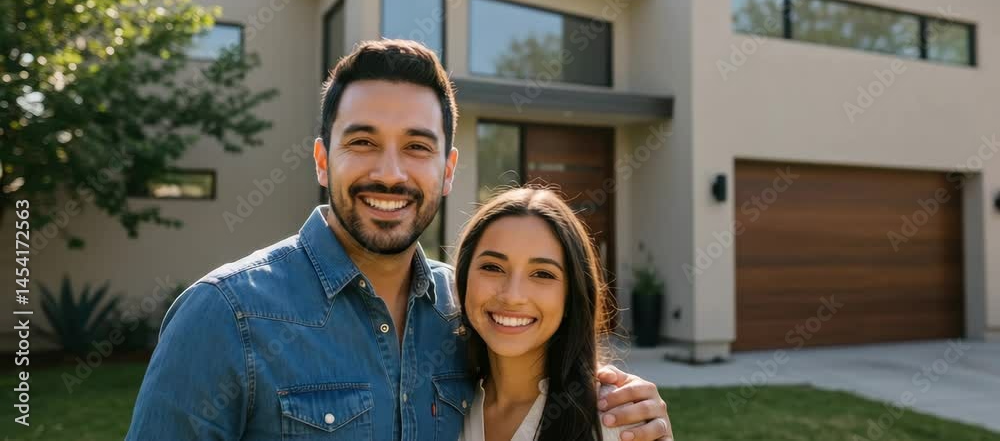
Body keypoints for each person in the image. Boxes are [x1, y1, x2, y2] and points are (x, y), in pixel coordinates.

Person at [125, 39, 673, 440]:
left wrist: (627, 405)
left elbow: (549, 378)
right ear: (322, 159)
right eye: (362, 141)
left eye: (417, 146)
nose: (390, 173)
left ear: (448, 170)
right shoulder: (225, 316)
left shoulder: (464, 311)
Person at [455, 187, 630, 441]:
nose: (512, 296)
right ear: (464, 278)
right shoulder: (441, 407)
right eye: (492, 267)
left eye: (542, 274)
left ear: (572, 295)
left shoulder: (615, 418)